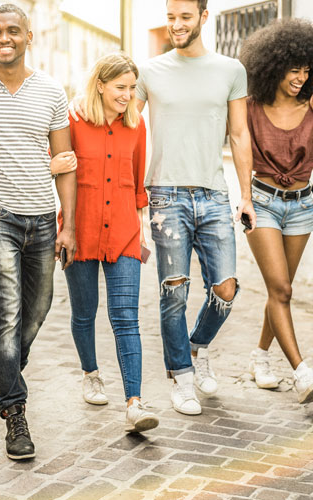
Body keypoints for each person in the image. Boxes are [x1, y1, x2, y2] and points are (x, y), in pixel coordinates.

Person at [72, 0, 255, 416]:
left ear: (203, 18)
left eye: (185, 17)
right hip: (165, 196)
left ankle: (197, 345)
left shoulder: (230, 70)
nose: (176, 25)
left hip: (213, 192)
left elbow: (240, 135)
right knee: (174, 292)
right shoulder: (150, 72)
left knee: (225, 287)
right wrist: (80, 109)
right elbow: (116, 112)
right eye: (170, 17)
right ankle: (181, 377)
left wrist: (245, 195)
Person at [0, 3, 77, 460]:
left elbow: (66, 164)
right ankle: (14, 411)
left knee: (37, 309)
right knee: (5, 317)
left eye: (12, 31)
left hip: (43, 218)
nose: (4, 38)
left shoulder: (50, 91)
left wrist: (69, 224)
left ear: (28, 36)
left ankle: (7, 369)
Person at [239, 19, 313, 403]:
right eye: (294, 68)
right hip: (262, 204)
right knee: (283, 288)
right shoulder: (250, 108)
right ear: (272, 65)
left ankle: (258, 357)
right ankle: (302, 371)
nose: (301, 77)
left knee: (278, 291)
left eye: (307, 70)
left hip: (302, 206)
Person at [60, 53, 159, 433]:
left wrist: (140, 228)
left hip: (123, 233)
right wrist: (65, 226)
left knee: (125, 318)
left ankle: (134, 403)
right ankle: (90, 373)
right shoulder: (72, 120)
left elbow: (136, 187)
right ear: (100, 84)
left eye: (132, 88)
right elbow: (59, 171)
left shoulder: (137, 125)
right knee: (84, 313)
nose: (128, 95)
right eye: (121, 87)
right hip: (79, 230)